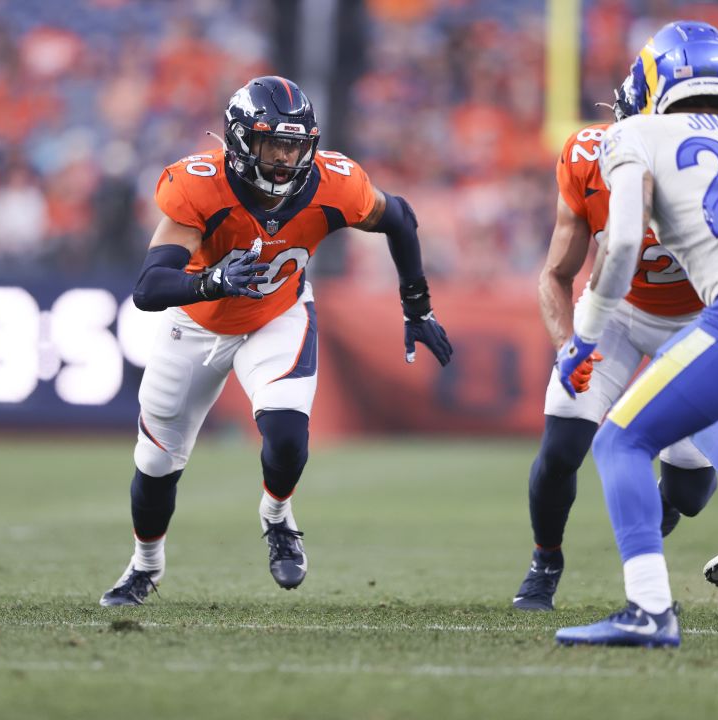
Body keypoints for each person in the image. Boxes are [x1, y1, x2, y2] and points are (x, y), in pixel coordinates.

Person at [99, 76, 454, 606]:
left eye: (295, 144)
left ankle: (277, 516)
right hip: (195, 324)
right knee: (156, 464)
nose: (286, 158)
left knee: (288, 437)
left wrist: (417, 305)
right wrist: (212, 280)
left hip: (276, 315)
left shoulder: (336, 182)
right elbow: (149, 289)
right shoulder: (199, 185)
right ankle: (145, 566)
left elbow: (399, 218)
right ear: (241, 141)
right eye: (272, 144)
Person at [553, 22, 718, 647]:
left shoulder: (634, 131)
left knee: (619, 443)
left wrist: (584, 333)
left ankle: (649, 610)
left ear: (651, 82)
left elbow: (626, 241)